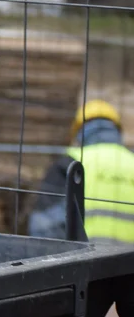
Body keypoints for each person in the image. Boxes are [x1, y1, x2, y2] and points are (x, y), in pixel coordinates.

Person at [27, 99, 134, 245]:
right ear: (117, 130)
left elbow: (45, 228)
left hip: (86, 264)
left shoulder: (70, 163)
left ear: (78, 131)